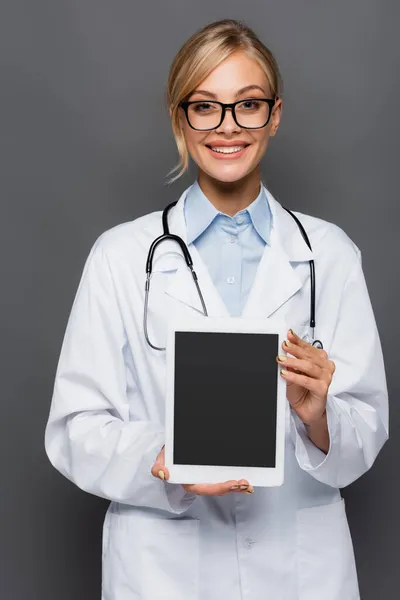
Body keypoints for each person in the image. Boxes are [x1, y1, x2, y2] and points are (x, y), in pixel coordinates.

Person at [45, 18, 388, 600]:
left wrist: (318, 417)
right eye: (205, 106)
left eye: (248, 104)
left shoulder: (327, 255)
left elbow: (367, 428)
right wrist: (163, 458)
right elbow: (75, 428)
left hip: (299, 568)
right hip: (163, 570)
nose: (228, 126)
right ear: (180, 118)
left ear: (274, 115)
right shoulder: (121, 257)